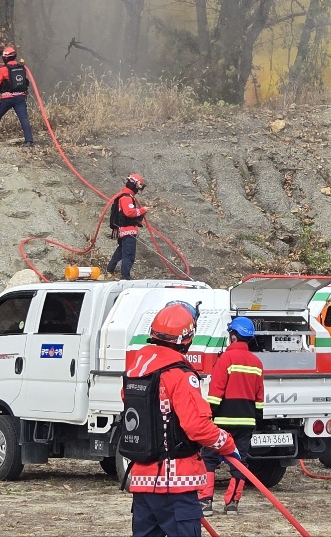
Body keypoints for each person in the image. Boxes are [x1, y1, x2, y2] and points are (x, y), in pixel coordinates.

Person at [127, 304, 237, 537]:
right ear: (187, 339)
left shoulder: (137, 370)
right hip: (176, 482)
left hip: (142, 480)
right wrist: (227, 444)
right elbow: (197, 427)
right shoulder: (179, 374)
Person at [202, 317, 264, 516]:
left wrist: (208, 416)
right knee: (239, 461)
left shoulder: (226, 359)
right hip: (246, 422)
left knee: (208, 458)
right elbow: (259, 398)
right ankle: (232, 504)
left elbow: (215, 393)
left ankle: (205, 501)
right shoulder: (257, 363)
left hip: (223, 421)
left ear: (234, 336)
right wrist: (256, 419)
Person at [0, 46, 34, 146]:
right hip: (20, 98)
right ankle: (29, 140)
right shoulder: (22, 67)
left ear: (5, 58)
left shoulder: (3, 70)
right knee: (24, 119)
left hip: (7, 99)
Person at [109, 174, 147, 280]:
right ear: (135, 184)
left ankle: (109, 270)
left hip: (123, 231)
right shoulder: (126, 197)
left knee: (120, 252)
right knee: (129, 255)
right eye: (139, 186)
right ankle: (126, 278)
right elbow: (129, 212)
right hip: (127, 231)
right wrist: (143, 210)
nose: (138, 190)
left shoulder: (126, 196)